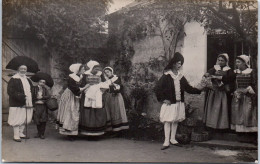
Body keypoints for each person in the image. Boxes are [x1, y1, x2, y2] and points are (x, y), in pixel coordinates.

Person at [155, 52, 201, 150]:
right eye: (178, 63)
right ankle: (166, 141)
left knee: (175, 120)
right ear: (173, 63)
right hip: (170, 103)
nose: (180, 65)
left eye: (181, 64)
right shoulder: (166, 75)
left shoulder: (180, 76)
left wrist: (200, 90)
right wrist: (163, 99)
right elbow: (157, 88)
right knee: (168, 121)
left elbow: (188, 88)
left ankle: (173, 139)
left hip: (178, 103)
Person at [203, 53, 236, 130]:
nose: (220, 62)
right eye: (219, 60)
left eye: (222, 60)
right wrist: (207, 75)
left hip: (222, 92)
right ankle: (212, 126)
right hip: (214, 92)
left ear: (226, 61)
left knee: (222, 109)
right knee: (213, 109)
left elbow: (231, 79)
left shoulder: (229, 70)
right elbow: (207, 75)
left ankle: (221, 127)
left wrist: (221, 78)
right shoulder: (213, 68)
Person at [56, 63, 88, 140]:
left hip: (77, 95)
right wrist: (84, 88)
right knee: (70, 112)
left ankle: (74, 131)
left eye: (84, 69)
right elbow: (73, 87)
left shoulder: (82, 76)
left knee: (76, 112)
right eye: (82, 69)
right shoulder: (71, 77)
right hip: (70, 95)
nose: (84, 70)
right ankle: (69, 133)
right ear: (78, 70)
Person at [79, 60, 108, 136]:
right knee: (87, 112)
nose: (97, 70)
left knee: (98, 111)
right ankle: (87, 132)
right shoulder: (86, 74)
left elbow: (105, 84)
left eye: (98, 69)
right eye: (95, 69)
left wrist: (101, 91)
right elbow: (82, 85)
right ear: (91, 68)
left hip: (98, 95)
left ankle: (98, 132)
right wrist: (87, 91)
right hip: (87, 95)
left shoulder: (100, 74)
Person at [231, 55, 257, 133]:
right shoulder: (235, 72)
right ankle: (240, 131)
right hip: (238, 95)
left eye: (239, 62)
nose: (237, 64)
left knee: (247, 111)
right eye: (236, 62)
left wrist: (248, 89)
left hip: (247, 95)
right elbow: (233, 83)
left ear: (245, 63)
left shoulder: (251, 72)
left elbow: (254, 83)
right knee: (238, 112)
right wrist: (235, 91)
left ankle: (249, 132)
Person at [7, 65, 34, 142]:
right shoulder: (13, 79)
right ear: (18, 69)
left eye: (25, 69)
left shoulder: (28, 80)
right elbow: (10, 91)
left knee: (25, 118)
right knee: (17, 118)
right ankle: (16, 135)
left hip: (28, 102)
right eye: (21, 69)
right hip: (17, 102)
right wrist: (21, 96)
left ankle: (21, 133)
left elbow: (31, 89)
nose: (23, 70)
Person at [103, 67, 129, 134]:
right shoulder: (104, 79)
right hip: (108, 96)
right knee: (108, 111)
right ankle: (110, 130)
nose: (107, 73)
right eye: (105, 72)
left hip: (116, 96)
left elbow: (119, 87)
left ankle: (118, 130)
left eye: (108, 72)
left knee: (116, 111)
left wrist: (114, 87)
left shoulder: (116, 78)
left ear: (111, 72)